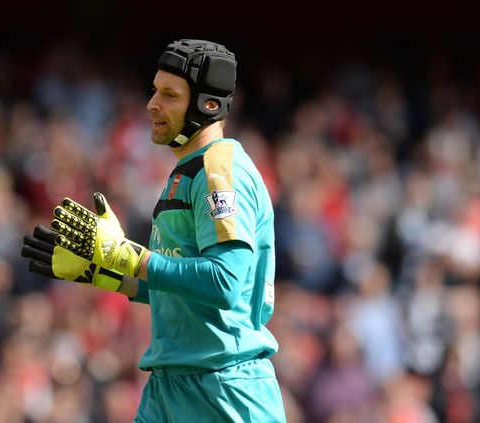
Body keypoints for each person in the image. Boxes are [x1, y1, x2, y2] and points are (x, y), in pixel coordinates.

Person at [21, 39, 286, 422]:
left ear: (208, 105)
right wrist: (106, 274)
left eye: (169, 94)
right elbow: (180, 290)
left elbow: (225, 282)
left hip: (222, 389)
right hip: (171, 384)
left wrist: (132, 258)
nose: (152, 104)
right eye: (154, 90)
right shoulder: (188, 170)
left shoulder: (219, 169)